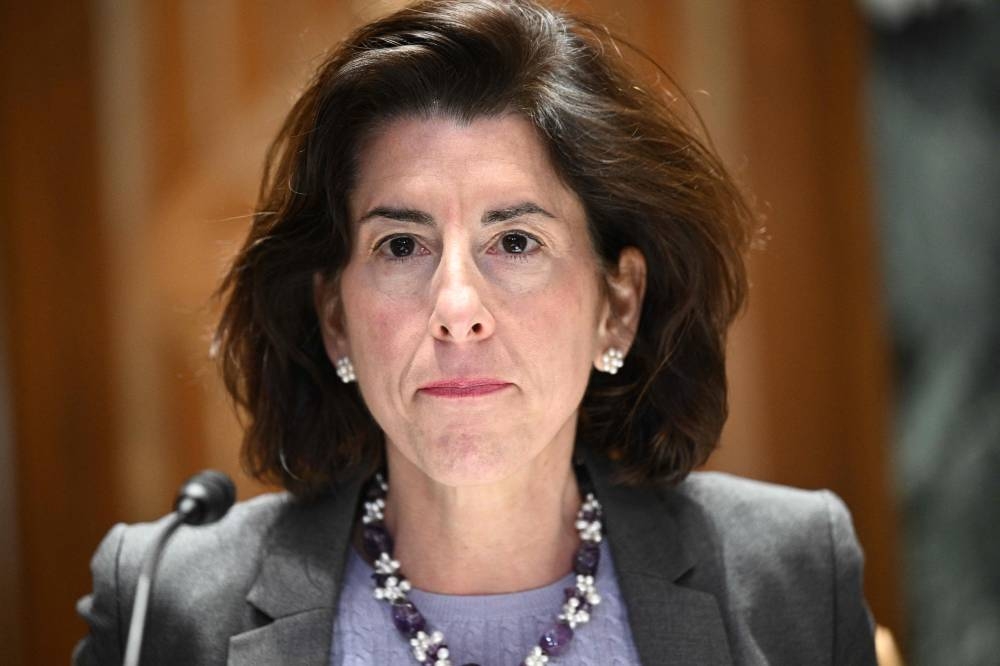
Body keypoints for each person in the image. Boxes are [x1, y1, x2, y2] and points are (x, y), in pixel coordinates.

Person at [74, 1, 876, 664]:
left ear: (619, 304)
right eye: (400, 245)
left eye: (516, 242)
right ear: (334, 316)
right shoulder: (162, 601)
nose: (457, 304)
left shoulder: (794, 573)